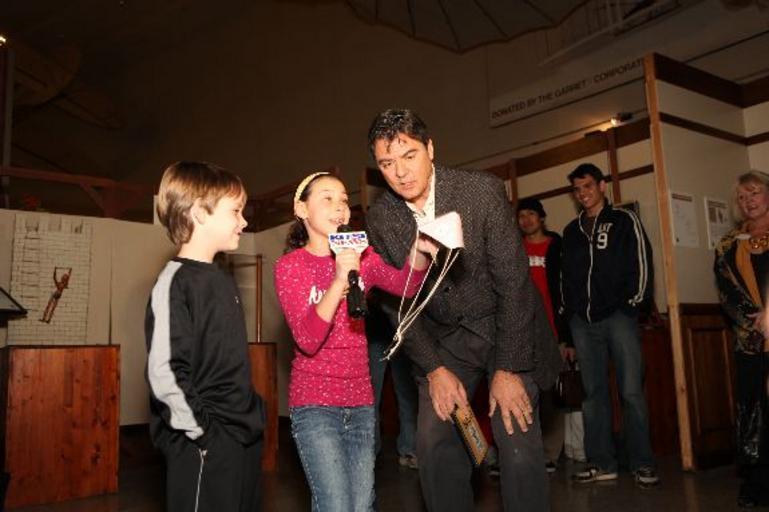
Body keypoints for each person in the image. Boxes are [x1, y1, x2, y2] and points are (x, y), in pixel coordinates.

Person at [365, 109, 561, 512]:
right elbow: (398, 304)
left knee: (515, 434)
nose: (400, 172)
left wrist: (509, 368)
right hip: (444, 338)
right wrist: (435, 369)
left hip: (504, 323)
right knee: (433, 442)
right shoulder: (381, 218)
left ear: (430, 148)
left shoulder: (481, 191)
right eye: (386, 163)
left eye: (409, 156)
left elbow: (514, 282)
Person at [274, 171, 431, 511]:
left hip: (360, 403)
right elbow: (307, 339)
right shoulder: (291, 266)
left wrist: (420, 249)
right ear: (302, 209)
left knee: (361, 506)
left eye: (344, 200)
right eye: (327, 198)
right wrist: (338, 281)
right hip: (315, 406)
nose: (340, 207)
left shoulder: (363, 256)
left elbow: (406, 286)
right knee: (335, 505)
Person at [145, 161, 265, 512]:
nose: (244, 222)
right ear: (199, 213)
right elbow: (165, 373)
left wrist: (252, 411)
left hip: (242, 434)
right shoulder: (174, 283)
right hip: (205, 440)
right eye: (235, 211)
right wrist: (205, 433)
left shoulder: (221, 279)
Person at [560, 162, 659, 488]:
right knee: (593, 395)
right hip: (583, 323)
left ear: (602, 185)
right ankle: (602, 462)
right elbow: (564, 278)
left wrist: (633, 306)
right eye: (577, 189)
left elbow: (643, 262)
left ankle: (642, 463)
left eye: (588, 186)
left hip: (619, 317)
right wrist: (569, 320)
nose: (583, 193)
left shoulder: (624, 220)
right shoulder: (571, 231)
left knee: (631, 391)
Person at [716, 171, 769, 508]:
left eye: (755, 193)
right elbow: (726, 291)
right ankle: (758, 483)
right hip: (751, 340)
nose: (749, 201)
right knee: (754, 410)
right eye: (742, 197)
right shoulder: (728, 243)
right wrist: (757, 320)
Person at [516, 197, 578, 473]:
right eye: (521, 216)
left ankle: (550, 454)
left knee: (551, 395)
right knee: (524, 395)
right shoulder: (514, 247)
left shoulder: (557, 246)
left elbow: (568, 292)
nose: (526, 220)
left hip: (552, 331)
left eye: (531, 214)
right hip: (521, 331)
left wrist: (567, 337)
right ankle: (524, 453)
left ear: (541, 217)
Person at [366, 292, 419, 469]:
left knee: (407, 392)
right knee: (370, 394)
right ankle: (370, 450)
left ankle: (410, 448)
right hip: (375, 330)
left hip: (403, 330)